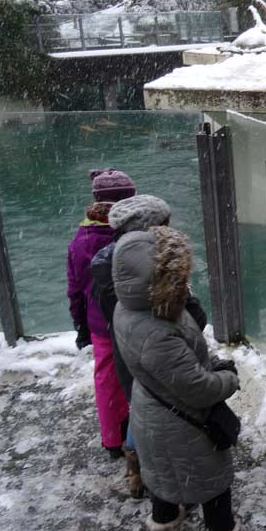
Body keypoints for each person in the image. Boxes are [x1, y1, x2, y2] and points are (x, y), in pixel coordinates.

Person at [113, 226, 266, 531]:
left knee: (163, 487)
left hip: (152, 416)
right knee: (214, 494)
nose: (184, 279)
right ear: (159, 277)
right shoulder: (156, 329)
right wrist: (228, 378)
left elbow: (174, 369)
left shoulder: (129, 308)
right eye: (176, 273)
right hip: (184, 428)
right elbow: (197, 388)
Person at [90, 194, 207, 498]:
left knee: (141, 408)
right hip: (161, 355)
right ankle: (170, 485)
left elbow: (115, 313)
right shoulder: (155, 268)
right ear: (150, 228)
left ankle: (135, 470)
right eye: (165, 224)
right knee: (170, 413)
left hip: (126, 352)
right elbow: (193, 318)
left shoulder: (106, 261)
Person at [67, 168, 135, 460]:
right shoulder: (131, 236)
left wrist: (81, 325)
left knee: (106, 378)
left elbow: (75, 290)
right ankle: (140, 432)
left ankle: (112, 438)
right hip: (132, 316)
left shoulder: (80, 241)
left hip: (100, 323)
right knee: (140, 375)